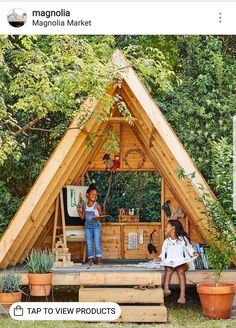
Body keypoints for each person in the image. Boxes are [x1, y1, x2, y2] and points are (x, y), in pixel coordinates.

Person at [155, 220, 198, 304]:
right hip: (170, 261)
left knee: (181, 270)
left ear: (173, 228)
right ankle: (166, 289)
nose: (165, 229)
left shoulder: (182, 239)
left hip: (180, 261)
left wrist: (193, 252)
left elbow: (189, 248)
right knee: (168, 269)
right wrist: (159, 258)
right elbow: (163, 254)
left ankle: (182, 296)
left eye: (167, 226)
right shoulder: (167, 242)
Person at [77, 184, 103, 266]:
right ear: (87, 195)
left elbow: (101, 216)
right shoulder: (84, 206)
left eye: (96, 195)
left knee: (97, 243)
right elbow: (82, 217)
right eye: (92, 194)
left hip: (96, 226)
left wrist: (97, 218)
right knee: (89, 243)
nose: (95, 196)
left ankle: (99, 260)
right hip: (88, 227)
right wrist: (78, 210)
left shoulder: (97, 205)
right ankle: (90, 260)